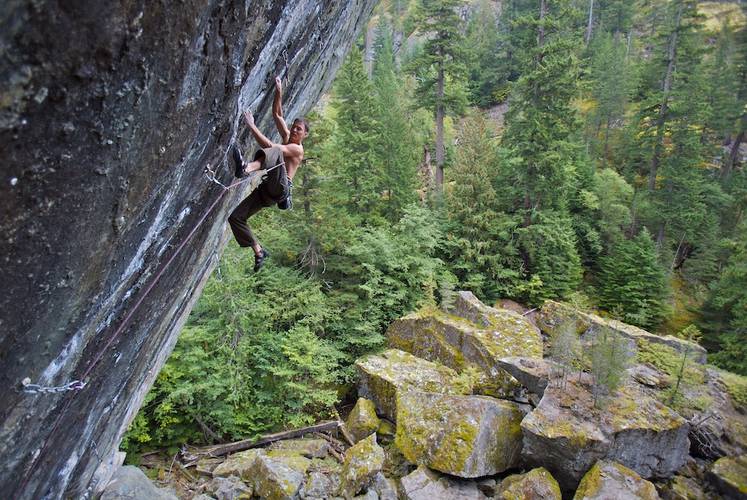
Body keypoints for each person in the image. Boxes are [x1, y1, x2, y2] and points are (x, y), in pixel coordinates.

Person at [228, 76, 309, 271]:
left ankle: (245, 168)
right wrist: (279, 90)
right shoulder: (288, 137)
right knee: (236, 217)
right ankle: (258, 250)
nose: (295, 131)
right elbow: (276, 113)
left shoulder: (297, 150)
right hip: (268, 192)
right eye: (294, 127)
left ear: (305, 135)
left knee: (275, 151)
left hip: (280, 187)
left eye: (299, 130)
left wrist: (252, 125)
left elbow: (272, 148)